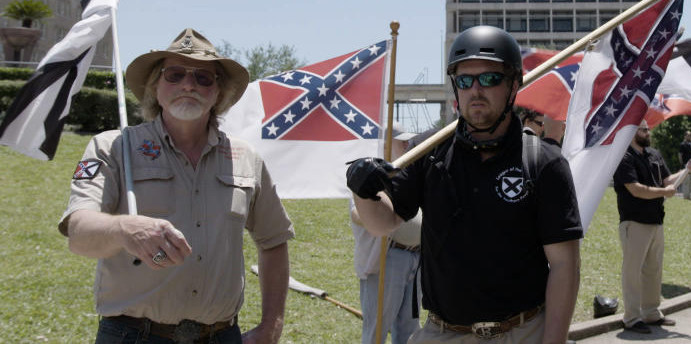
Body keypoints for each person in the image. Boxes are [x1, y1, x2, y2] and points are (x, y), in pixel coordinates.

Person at [347, 25, 583, 343]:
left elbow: (564, 264)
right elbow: (382, 222)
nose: (475, 90)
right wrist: (363, 191)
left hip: (523, 332)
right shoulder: (427, 151)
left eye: (489, 78)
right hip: (442, 333)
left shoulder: (544, 162)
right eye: (464, 80)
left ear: (515, 84)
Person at [58, 28, 294, 343]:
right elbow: (79, 233)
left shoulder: (245, 158)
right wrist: (125, 229)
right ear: (155, 87)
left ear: (218, 93)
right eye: (175, 74)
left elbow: (274, 240)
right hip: (133, 335)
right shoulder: (114, 148)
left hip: (221, 335)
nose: (188, 84)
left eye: (203, 78)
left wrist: (271, 325)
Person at [614, 120, 691, 333]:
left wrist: (686, 171)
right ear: (633, 132)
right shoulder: (623, 157)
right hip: (634, 221)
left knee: (653, 270)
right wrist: (663, 192)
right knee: (633, 272)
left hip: (656, 220)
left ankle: (651, 312)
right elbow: (635, 189)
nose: (648, 132)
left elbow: (667, 180)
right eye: (643, 129)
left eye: (648, 129)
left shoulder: (654, 154)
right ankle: (632, 318)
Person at [351, 127, 421, 344]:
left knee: (409, 329)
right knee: (377, 329)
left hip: (416, 258)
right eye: (401, 142)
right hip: (387, 259)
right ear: (385, 143)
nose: (406, 146)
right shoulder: (369, 176)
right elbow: (357, 213)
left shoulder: (409, 174)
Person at [679, 131, 691, 200]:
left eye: (690, 135)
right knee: (686, 181)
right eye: (688, 135)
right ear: (685, 136)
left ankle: (689, 196)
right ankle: (686, 197)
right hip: (686, 165)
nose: (689, 136)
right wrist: (682, 164)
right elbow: (680, 155)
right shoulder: (682, 144)